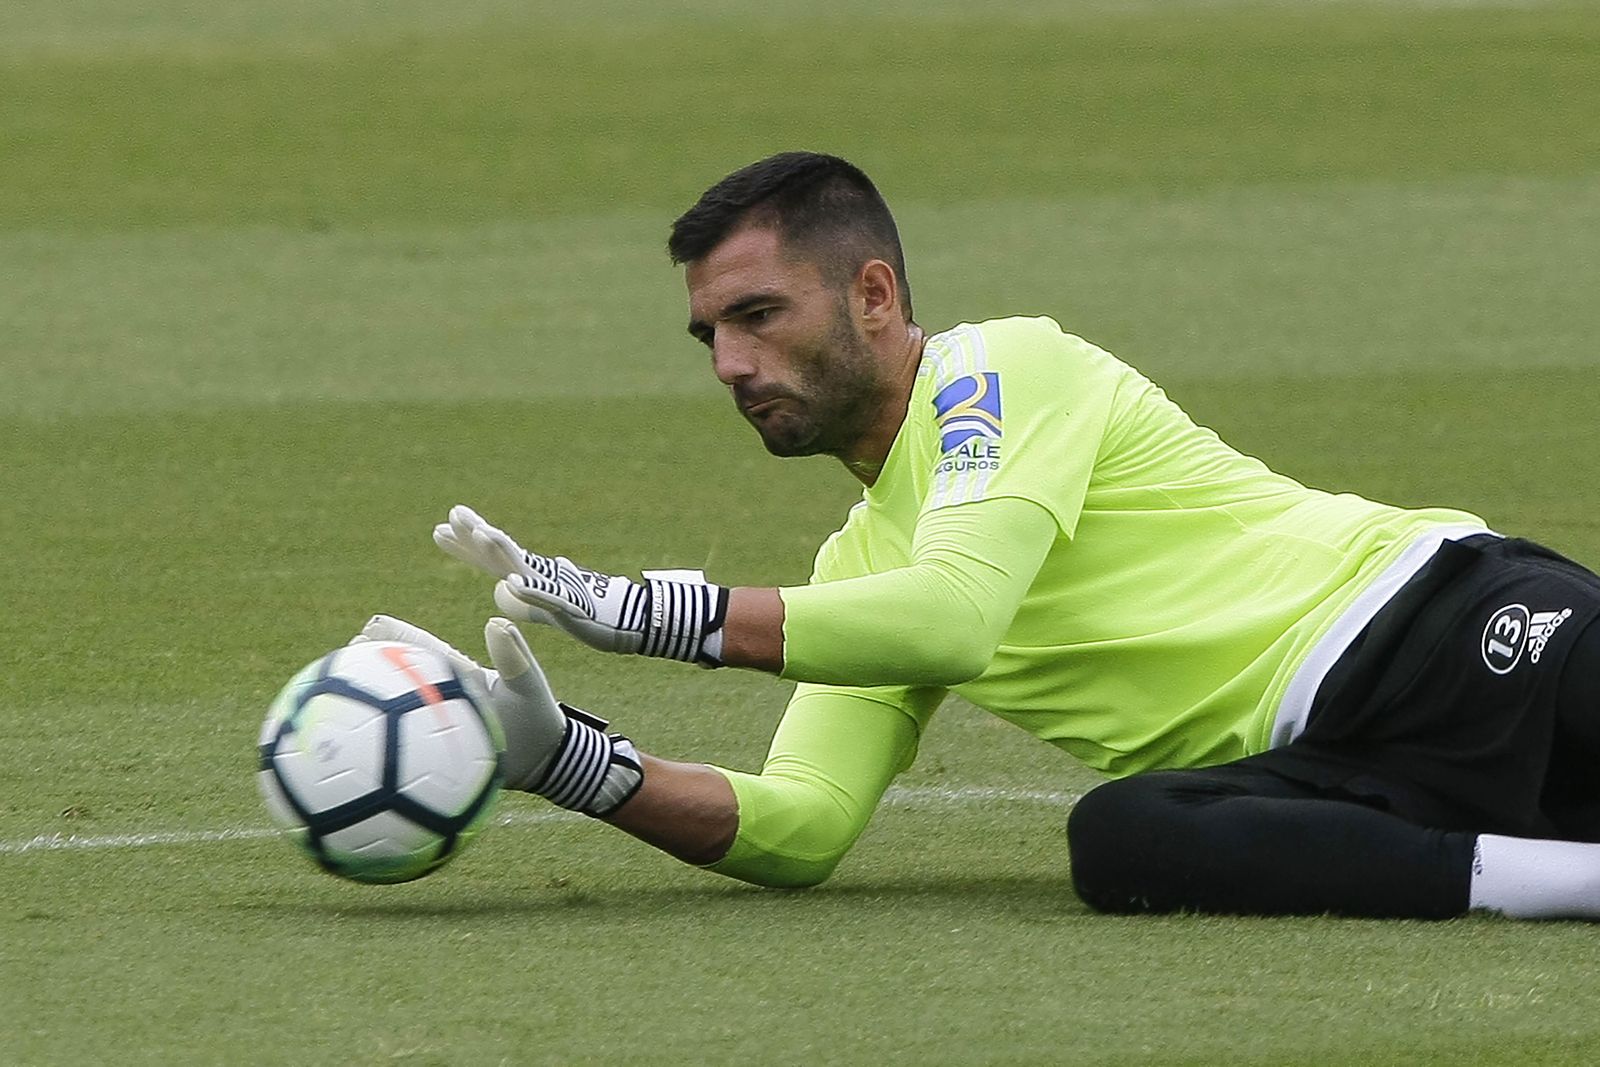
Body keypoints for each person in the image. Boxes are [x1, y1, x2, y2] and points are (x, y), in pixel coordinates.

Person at [373, 150, 1600, 920]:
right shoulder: (859, 573)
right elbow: (800, 825)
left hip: (1449, 625)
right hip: (1342, 767)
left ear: (873, 295)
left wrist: (654, 613)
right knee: (1122, 837)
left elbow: (955, 617)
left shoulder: (999, 368)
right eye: (709, 337)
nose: (732, 363)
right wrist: (579, 769)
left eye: (756, 315)